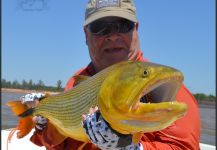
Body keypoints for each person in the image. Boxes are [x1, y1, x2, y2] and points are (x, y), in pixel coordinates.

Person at [21, 0, 200, 149]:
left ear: (136, 29)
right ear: (86, 34)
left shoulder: (162, 86)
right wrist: (43, 126)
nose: (113, 36)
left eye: (123, 25)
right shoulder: (77, 81)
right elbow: (59, 143)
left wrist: (131, 148)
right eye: (101, 27)